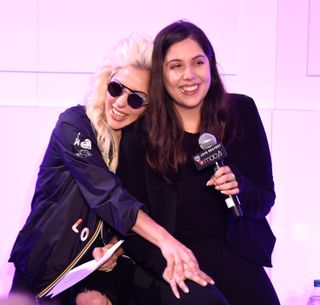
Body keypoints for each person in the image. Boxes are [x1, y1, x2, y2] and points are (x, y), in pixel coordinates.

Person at [8, 33, 212, 305]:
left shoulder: (138, 145)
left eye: (136, 99)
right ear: (106, 82)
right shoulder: (74, 125)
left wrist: (114, 246)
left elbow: (134, 207)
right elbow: (105, 193)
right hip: (46, 262)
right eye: (116, 89)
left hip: (92, 270)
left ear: (148, 107)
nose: (120, 103)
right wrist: (166, 241)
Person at [117, 20, 281, 305]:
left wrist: (238, 185)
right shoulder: (140, 132)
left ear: (211, 65)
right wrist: (166, 261)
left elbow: (264, 199)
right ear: (161, 74)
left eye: (198, 63)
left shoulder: (241, 111)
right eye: (176, 66)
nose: (189, 76)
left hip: (236, 251)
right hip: (173, 259)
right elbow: (130, 220)